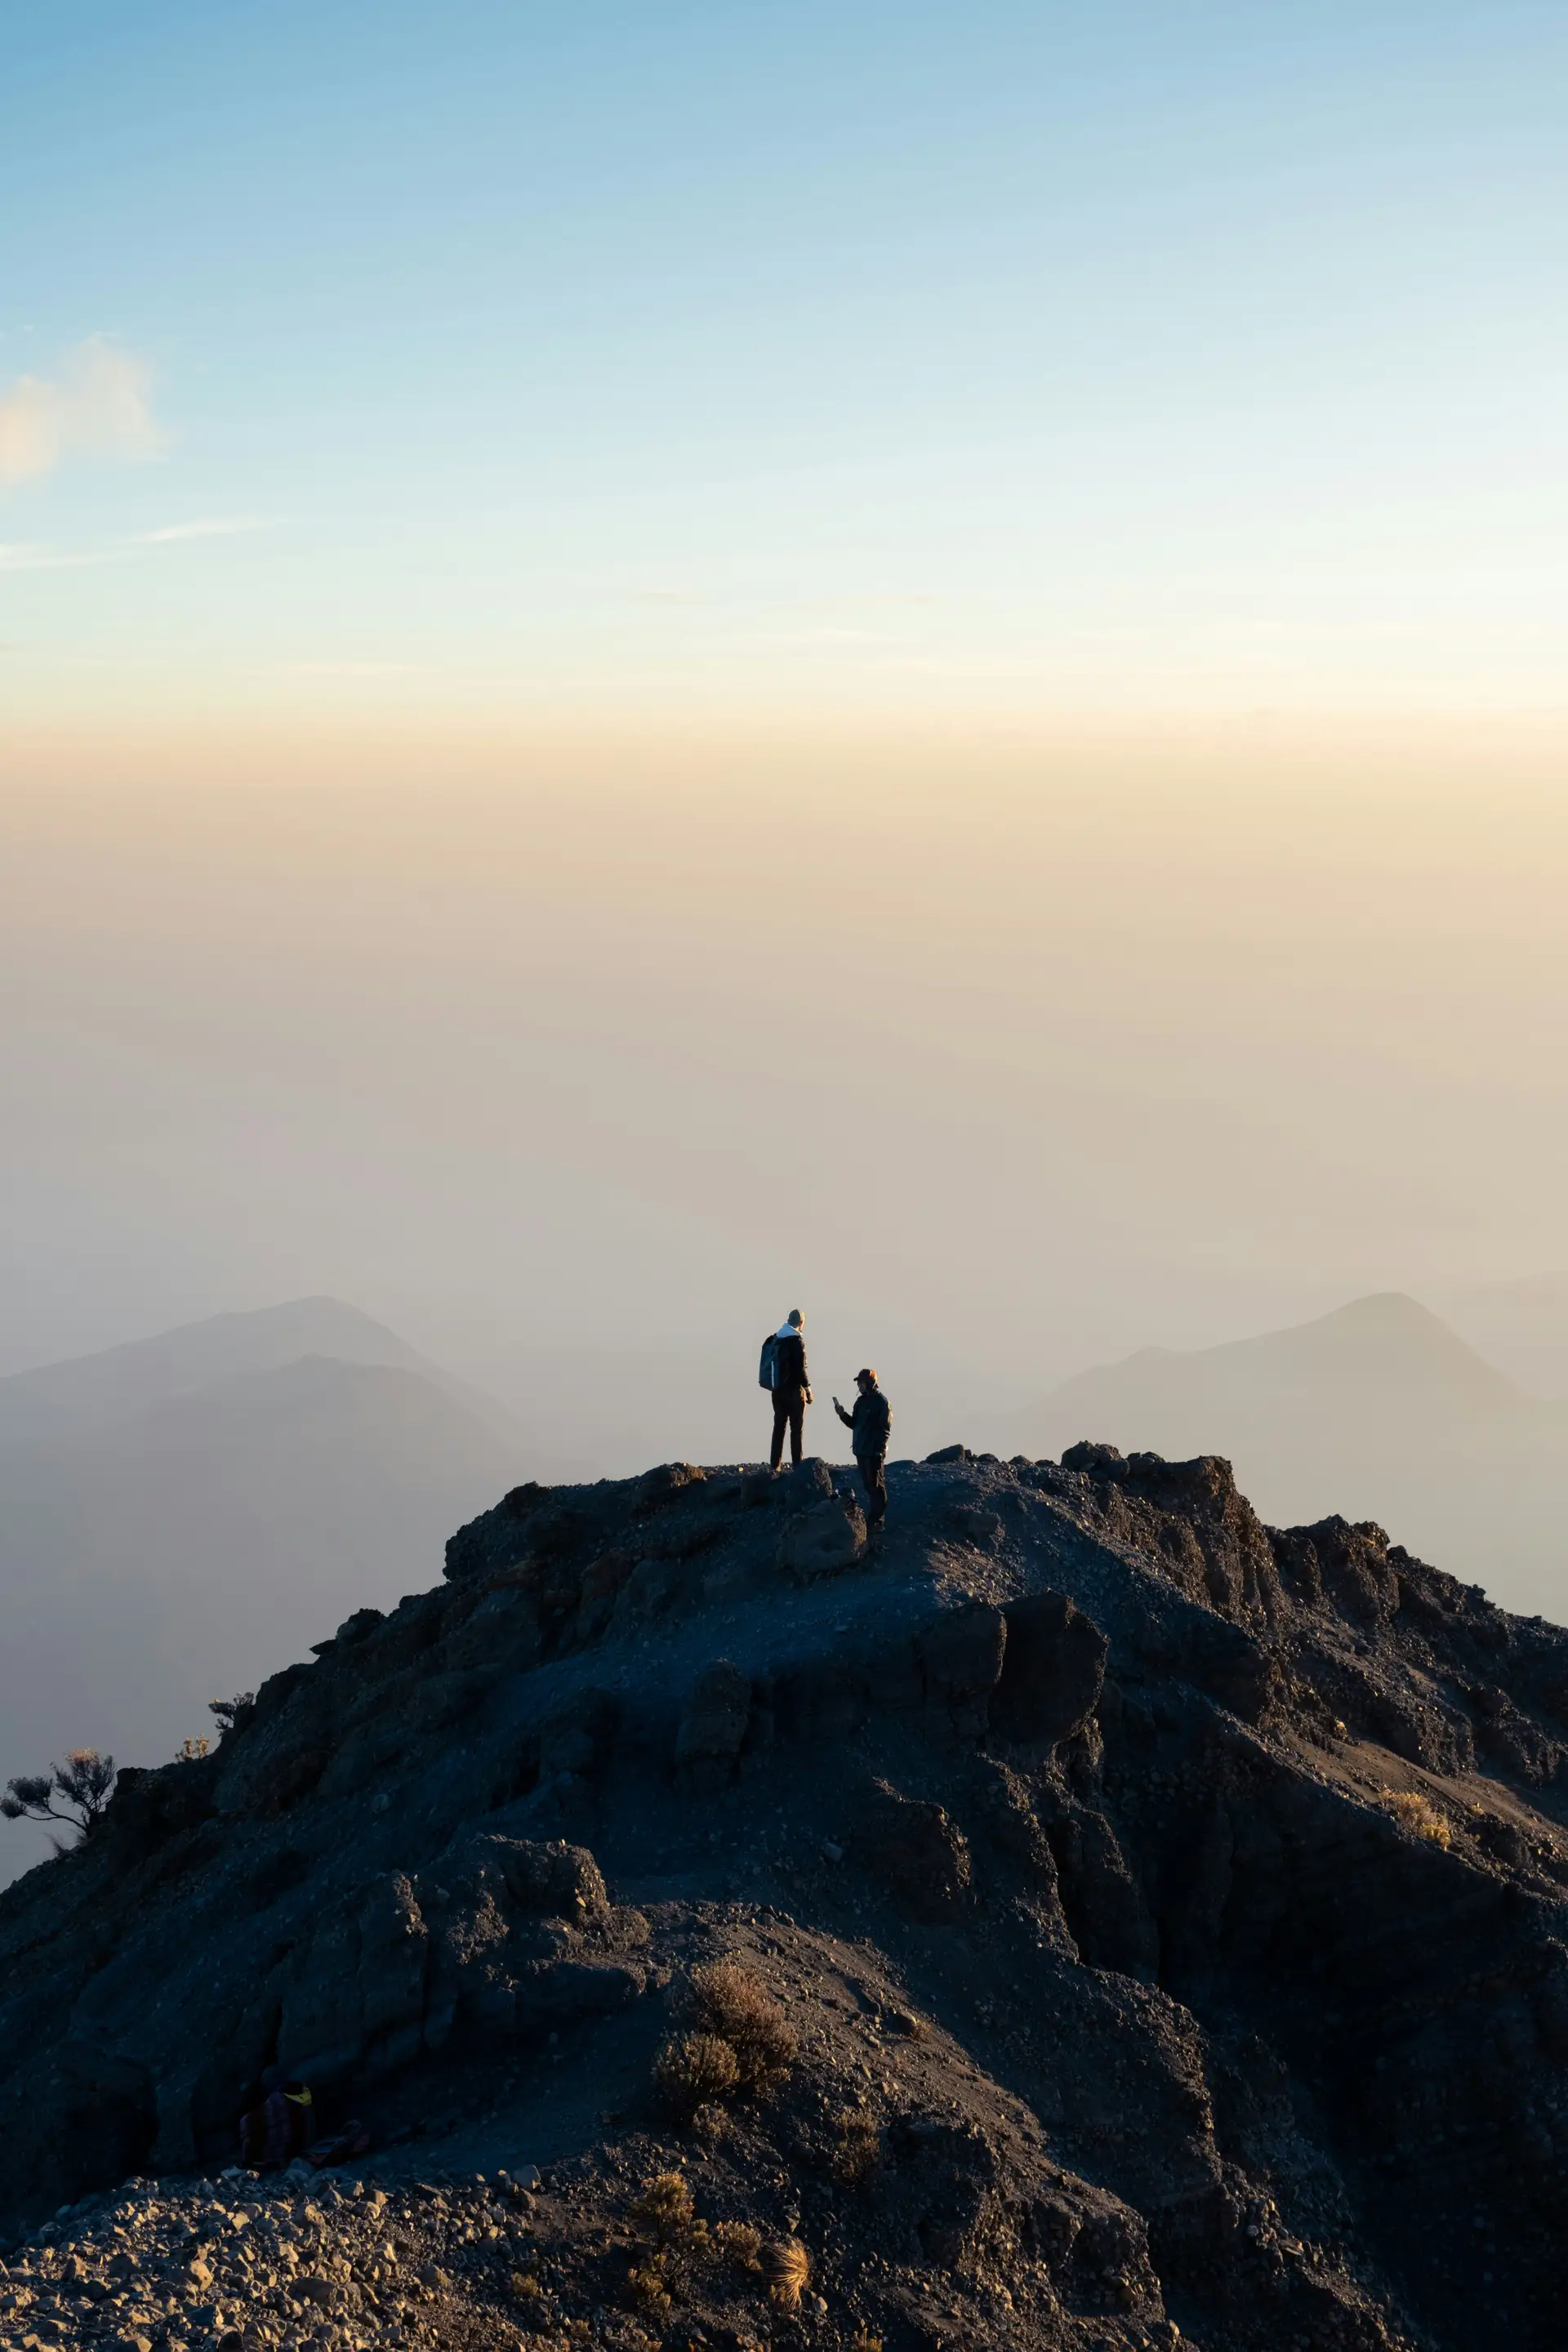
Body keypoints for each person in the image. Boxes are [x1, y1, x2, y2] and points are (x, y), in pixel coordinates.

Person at [834, 1367, 891, 1535]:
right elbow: (854, 1424)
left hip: (873, 1452)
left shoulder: (881, 1402)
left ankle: (877, 1521)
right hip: (861, 1451)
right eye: (859, 1383)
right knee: (869, 1486)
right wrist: (842, 1415)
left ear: (871, 1383)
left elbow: (885, 1429)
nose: (859, 1385)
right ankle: (874, 1521)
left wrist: (879, 1450)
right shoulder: (860, 1402)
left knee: (877, 1486)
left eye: (862, 1382)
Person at [769, 1307, 812, 1471]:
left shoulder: (777, 1338)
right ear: (801, 1324)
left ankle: (775, 1465)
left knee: (779, 1426)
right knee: (796, 1428)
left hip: (777, 1389)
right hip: (794, 1391)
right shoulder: (797, 1341)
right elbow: (800, 1370)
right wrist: (808, 1390)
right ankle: (797, 1465)